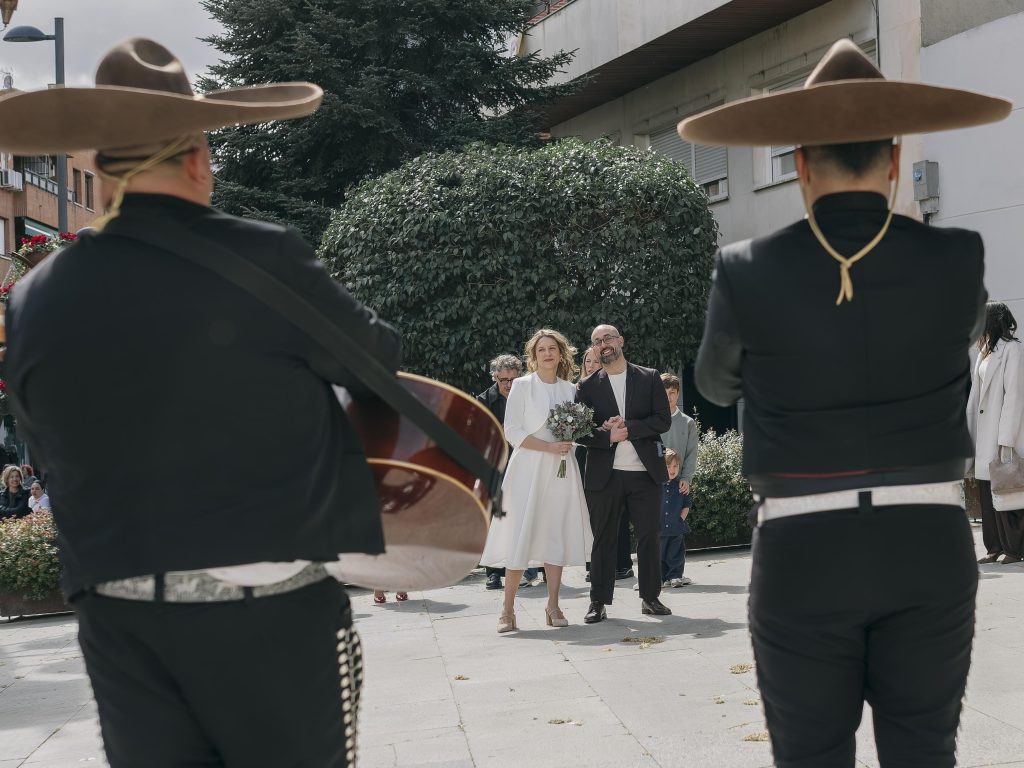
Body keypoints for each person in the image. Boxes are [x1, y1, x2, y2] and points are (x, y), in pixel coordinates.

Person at [0, 39, 402, 767]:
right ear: (197, 158)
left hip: (119, 606)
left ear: (106, 165)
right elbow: (378, 364)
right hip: (270, 599)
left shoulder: (35, 294)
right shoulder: (267, 257)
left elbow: (40, 438)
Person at [682, 39, 1010, 768]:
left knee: (810, 758)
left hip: (803, 546)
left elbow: (712, 385)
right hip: (928, 542)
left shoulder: (747, 270)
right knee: (924, 752)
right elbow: (957, 337)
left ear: (799, 162)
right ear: (893, 160)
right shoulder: (958, 257)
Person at [480, 329, 593, 632]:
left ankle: (553, 606)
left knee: (554, 533)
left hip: (561, 470)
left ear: (561, 353)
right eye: (541, 349)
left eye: (552, 348)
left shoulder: (571, 390)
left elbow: (581, 431)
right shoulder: (521, 386)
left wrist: (571, 442)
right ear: (533, 355)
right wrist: (547, 446)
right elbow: (512, 431)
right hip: (528, 469)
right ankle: (507, 610)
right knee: (521, 534)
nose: (547, 353)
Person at [575, 324, 672, 623]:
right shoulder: (586, 387)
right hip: (605, 475)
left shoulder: (650, 377)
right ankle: (598, 602)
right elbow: (580, 431)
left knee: (649, 536)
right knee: (602, 540)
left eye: (607, 339)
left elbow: (662, 420)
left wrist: (628, 428)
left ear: (620, 341)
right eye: (596, 341)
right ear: (592, 349)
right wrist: (608, 436)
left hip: (645, 473)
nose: (603, 344)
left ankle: (650, 598)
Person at [968, 302, 1024, 565]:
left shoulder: (1012, 350)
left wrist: (1006, 438)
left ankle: (1014, 548)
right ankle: (994, 546)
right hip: (983, 431)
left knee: (1007, 488)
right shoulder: (984, 352)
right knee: (987, 489)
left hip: (1001, 432)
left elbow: (1014, 395)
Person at [476, 353, 524, 590]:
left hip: (524, 460)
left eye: (513, 379)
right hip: (496, 465)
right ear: (495, 377)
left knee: (524, 514)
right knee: (496, 517)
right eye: (503, 380)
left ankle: (532, 567)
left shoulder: (526, 395)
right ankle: (493, 571)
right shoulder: (484, 400)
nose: (508, 385)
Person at [658, 373, 698, 587]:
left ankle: (675, 572)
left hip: (677, 482)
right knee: (655, 531)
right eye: (664, 394)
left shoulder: (687, 423)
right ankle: (656, 574)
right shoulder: (654, 420)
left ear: (677, 394)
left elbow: (692, 453)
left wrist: (687, 478)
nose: (668, 398)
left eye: (672, 394)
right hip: (656, 483)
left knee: (675, 531)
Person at [659, 449, 691, 588]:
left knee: (675, 554)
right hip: (659, 528)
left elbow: (686, 504)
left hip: (675, 527)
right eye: (668, 466)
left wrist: (681, 519)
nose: (672, 470)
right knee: (659, 555)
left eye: (675, 466)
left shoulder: (680, 486)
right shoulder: (655, 487)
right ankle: (660, 577)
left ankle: (675, 576)